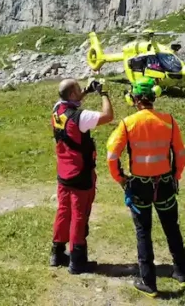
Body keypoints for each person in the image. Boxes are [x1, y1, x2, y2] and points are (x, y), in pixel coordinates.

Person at [106, 76, 185, 297]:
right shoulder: (168, 120)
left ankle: (149, 282)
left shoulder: (127, 123)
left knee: (143, 232)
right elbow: (180, 153)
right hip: (165, 184)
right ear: (155, 97)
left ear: (132, 98)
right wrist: (176, 176)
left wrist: (120, 178)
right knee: (172, 228)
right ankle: (181, 272)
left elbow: (112, 155)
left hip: (139, 187)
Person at [50, 77, 114, 273]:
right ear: (71, 94)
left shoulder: (57, 109)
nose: (81, 92)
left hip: (64, 171)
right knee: (79, 215)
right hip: (81, 172)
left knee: (63, 211)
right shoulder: (80, 118)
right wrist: (103, 94)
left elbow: (73, 101)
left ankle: (57, 252)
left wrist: (86, 90)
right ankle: (77, 260)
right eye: (78, 89)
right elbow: (108, 115)